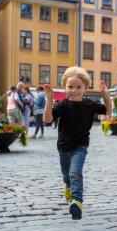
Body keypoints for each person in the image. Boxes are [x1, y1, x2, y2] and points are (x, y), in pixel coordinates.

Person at [43, 66, 112, 220]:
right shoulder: (62, 105)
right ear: (64, 87)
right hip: (63, 147)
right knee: (67, 175)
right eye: (70, 87)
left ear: (85, 88)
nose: (74, 90)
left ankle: (76, 201)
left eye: (78, 87)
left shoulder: (89, 104)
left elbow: (108, 111)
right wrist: (49, 100)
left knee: (75, 172)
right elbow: (47, 119)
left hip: (80, 146)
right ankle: (67, 186)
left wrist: (106, 95)